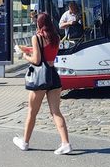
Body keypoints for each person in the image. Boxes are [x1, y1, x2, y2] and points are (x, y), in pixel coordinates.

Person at [13, 12, 72, 155]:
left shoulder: (37, 37)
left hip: (40, 77)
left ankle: (25, 142)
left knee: (32, 112)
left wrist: (25, 55)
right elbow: (48, 53)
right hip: (53, 74)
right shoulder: (56, 37)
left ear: (39, 24)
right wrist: (32, 50)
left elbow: (37, 60)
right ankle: (65, 143)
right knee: (56, 112)